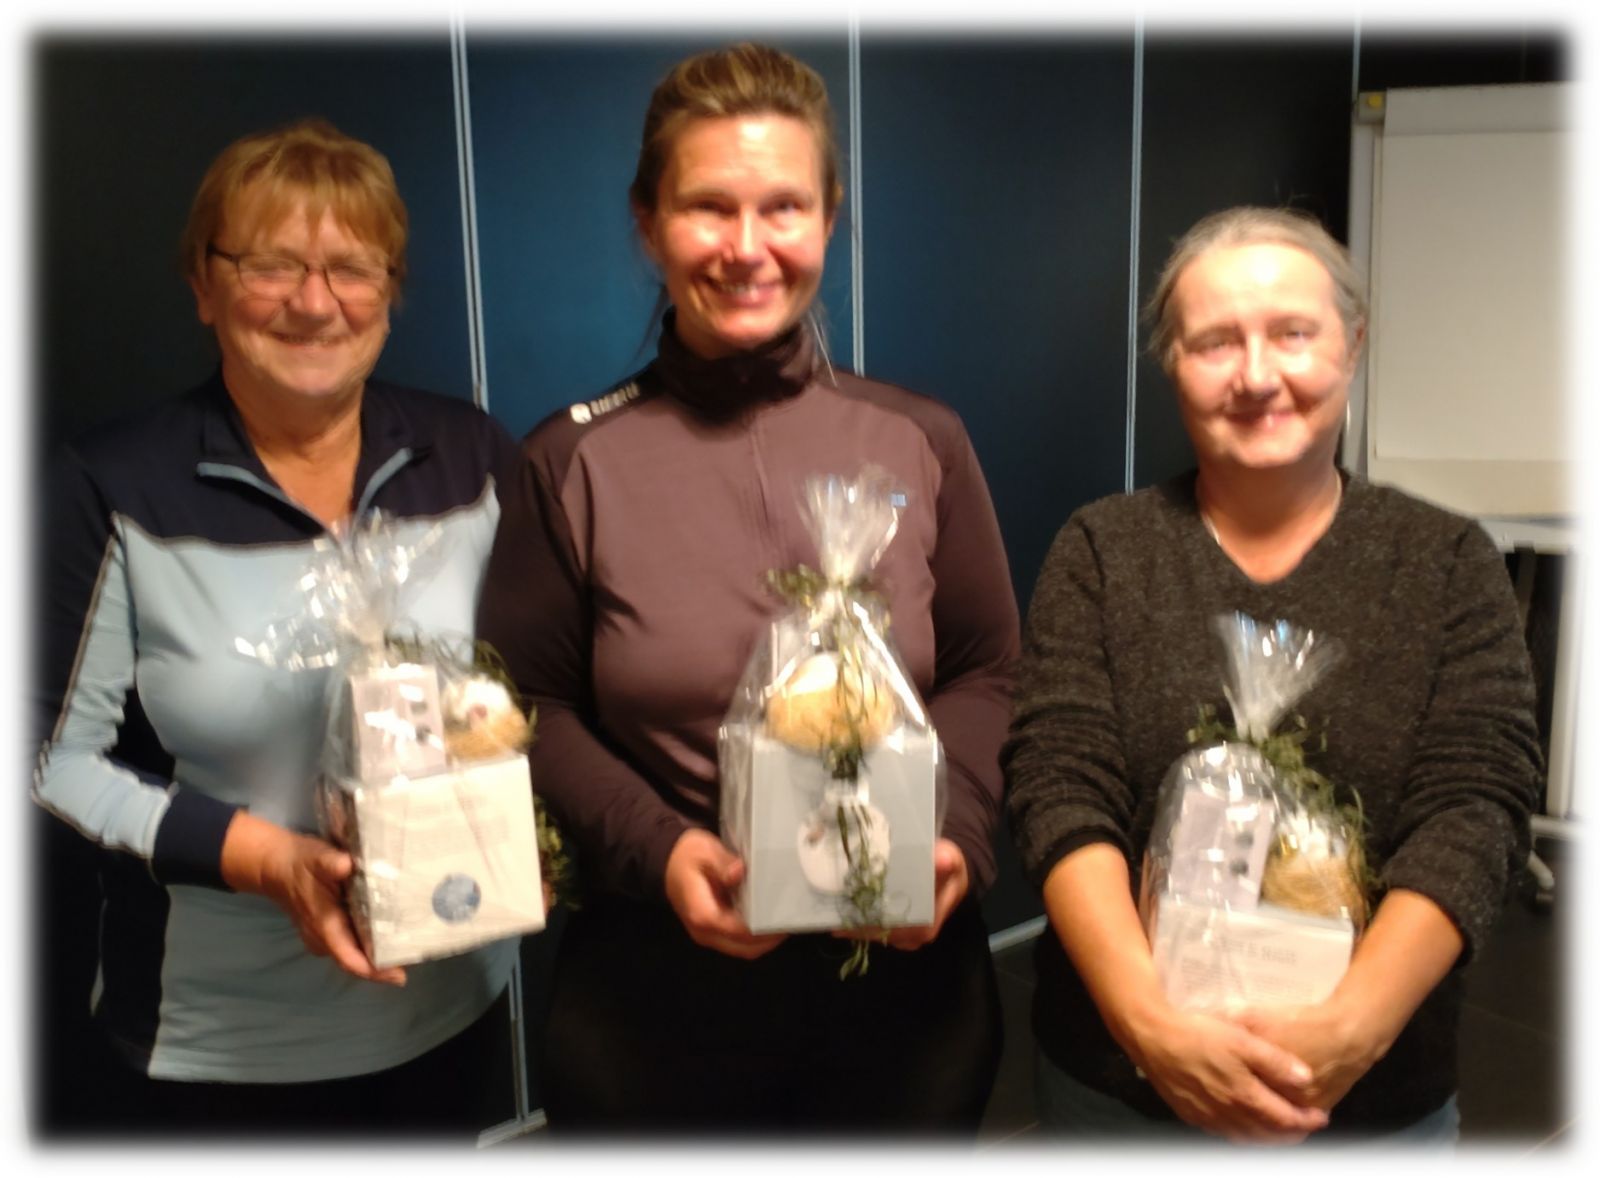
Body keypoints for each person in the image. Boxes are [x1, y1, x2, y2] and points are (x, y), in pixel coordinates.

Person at [478, 42, 1020, 1133]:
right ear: (647, 222)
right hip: (654, 1000)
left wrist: (956, 834)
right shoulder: (571, 461)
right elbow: (526, 704)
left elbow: (989, 669)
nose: (746, 246)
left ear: (828, 217)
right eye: (708, 207)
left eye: (783, 207)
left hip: (906, 989)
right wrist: (661, 848)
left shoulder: (922, 439)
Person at [1003, 206, 1543, 1145]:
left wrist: (1350, 1033)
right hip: (1117, 1094)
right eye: (1216, 342)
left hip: (1369, 1101)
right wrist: (1150, 1027)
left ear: (1353, 344)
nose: (1257, 376)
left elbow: (1475, 806)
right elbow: (1059, 787)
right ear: (1173, 363)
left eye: (1293, 334)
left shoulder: (1448, 563)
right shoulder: (1103, 550)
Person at [33, 118, 525, 1136]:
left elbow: (533, 689)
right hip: (218, 1044)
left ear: (391, 289)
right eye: (270, 265)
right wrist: (259, 856)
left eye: (352, 267)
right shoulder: (112, 486)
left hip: (451, 1003)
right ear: (203, 285)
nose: (313, 301)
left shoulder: (469, 457)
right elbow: (47, 761)